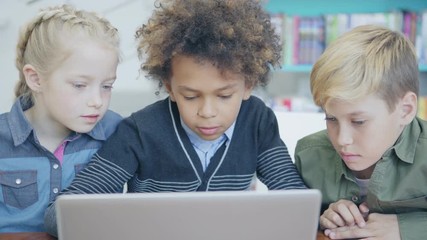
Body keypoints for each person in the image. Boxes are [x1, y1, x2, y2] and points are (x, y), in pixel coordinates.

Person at [44, 0, 307, 236]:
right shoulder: (140, 131)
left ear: (248, 85)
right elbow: (62, 215)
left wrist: (329, 214)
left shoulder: (257, 121)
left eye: (225, 95)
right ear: (169, 87)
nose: (207, 112)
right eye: (191, 96)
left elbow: (296, 198)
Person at [294, 24, 427, 240]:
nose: (342, 139)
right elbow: (295, 221)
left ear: (406, 110)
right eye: (331, 118)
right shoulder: (308, 156)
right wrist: (323, 217)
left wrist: (406, 228)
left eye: (359, 121)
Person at [0, 4, 122, 232]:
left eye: (107, 86)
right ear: (36, 79)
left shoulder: (118, 132)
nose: (97, 100)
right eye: (79, 85)